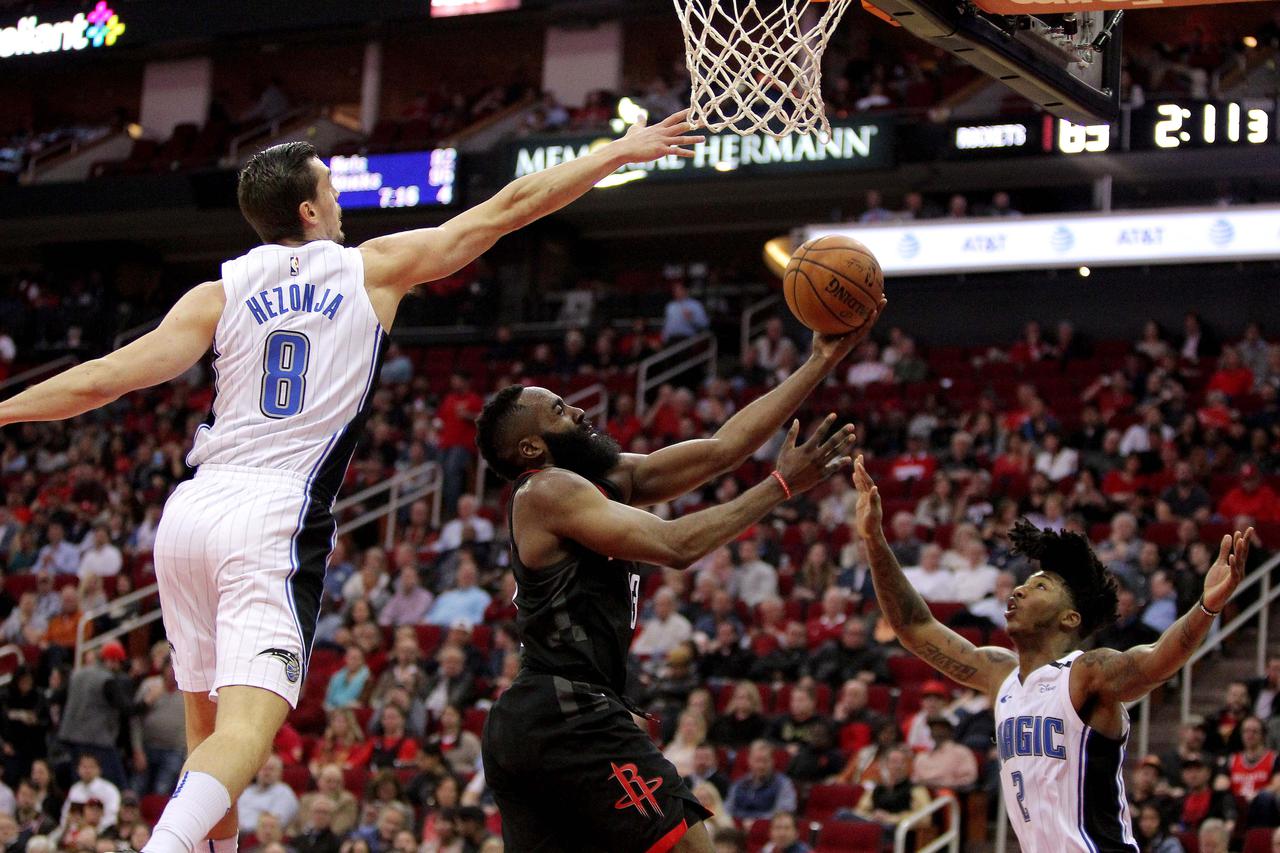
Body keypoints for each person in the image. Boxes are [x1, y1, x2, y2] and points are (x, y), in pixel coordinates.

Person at [0, 113, 704, 853]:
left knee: (206, 735)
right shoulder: (370, 267)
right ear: (308, 211)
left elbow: (104, 378)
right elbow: (508, 208)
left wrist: (7, 409)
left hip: (190, 511)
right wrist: (618, 152)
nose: (340, 201)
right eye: (331, 190)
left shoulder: (219, 292)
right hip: (272, 513)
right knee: (244, 732)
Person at [475, 318, 882, 852]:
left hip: (541, 719)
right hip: (565, 711)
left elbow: (722, 449)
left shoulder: (603, 481)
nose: (577, 411)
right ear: (531, 449)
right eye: (558, 410)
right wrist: (781, 484)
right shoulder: (546, 490)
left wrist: (820, 361)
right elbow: (676, 545)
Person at [851, 456, 1253, 852]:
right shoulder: (1000, 674)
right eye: (1024, 584)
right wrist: (874, 540)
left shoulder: (1085, 673)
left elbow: (1155, 662)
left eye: (1039, 586)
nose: (1019, 590)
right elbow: (914, 627)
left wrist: (1206, 607)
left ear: (1069, 618)